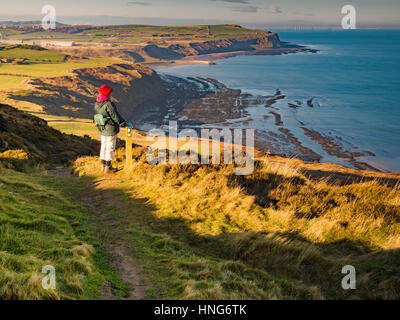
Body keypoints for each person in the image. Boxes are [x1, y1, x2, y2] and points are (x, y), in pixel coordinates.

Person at [94, 84, 133, 173]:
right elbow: (115, 116)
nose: (111, 95)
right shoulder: (108, 104)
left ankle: (103, 166)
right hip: (110, 129)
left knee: (103, 146)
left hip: (102, 128)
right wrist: (123, 123)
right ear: (107, 93)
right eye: (110, 93)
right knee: (110, 147)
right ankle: (108, 168)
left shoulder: (97, 104)